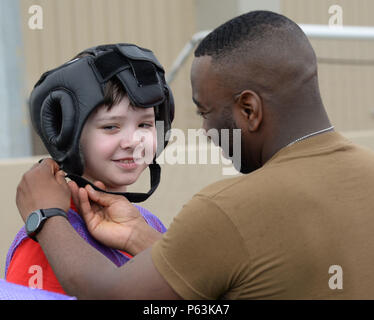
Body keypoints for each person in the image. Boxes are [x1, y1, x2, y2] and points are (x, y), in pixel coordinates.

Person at [15, 10, 374, 299]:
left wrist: (44, 216)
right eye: (110, 127)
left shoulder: (227, 210)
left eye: (205, 113)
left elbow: (115, 294)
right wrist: (140, 239)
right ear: (68, 135)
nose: (203, 131)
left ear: (249, 110)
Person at [6, 43, 173, 295]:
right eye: (110, 127)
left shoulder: (148, 224)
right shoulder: (48, 241)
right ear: (68, 136)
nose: (132, 142)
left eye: (145, 125)